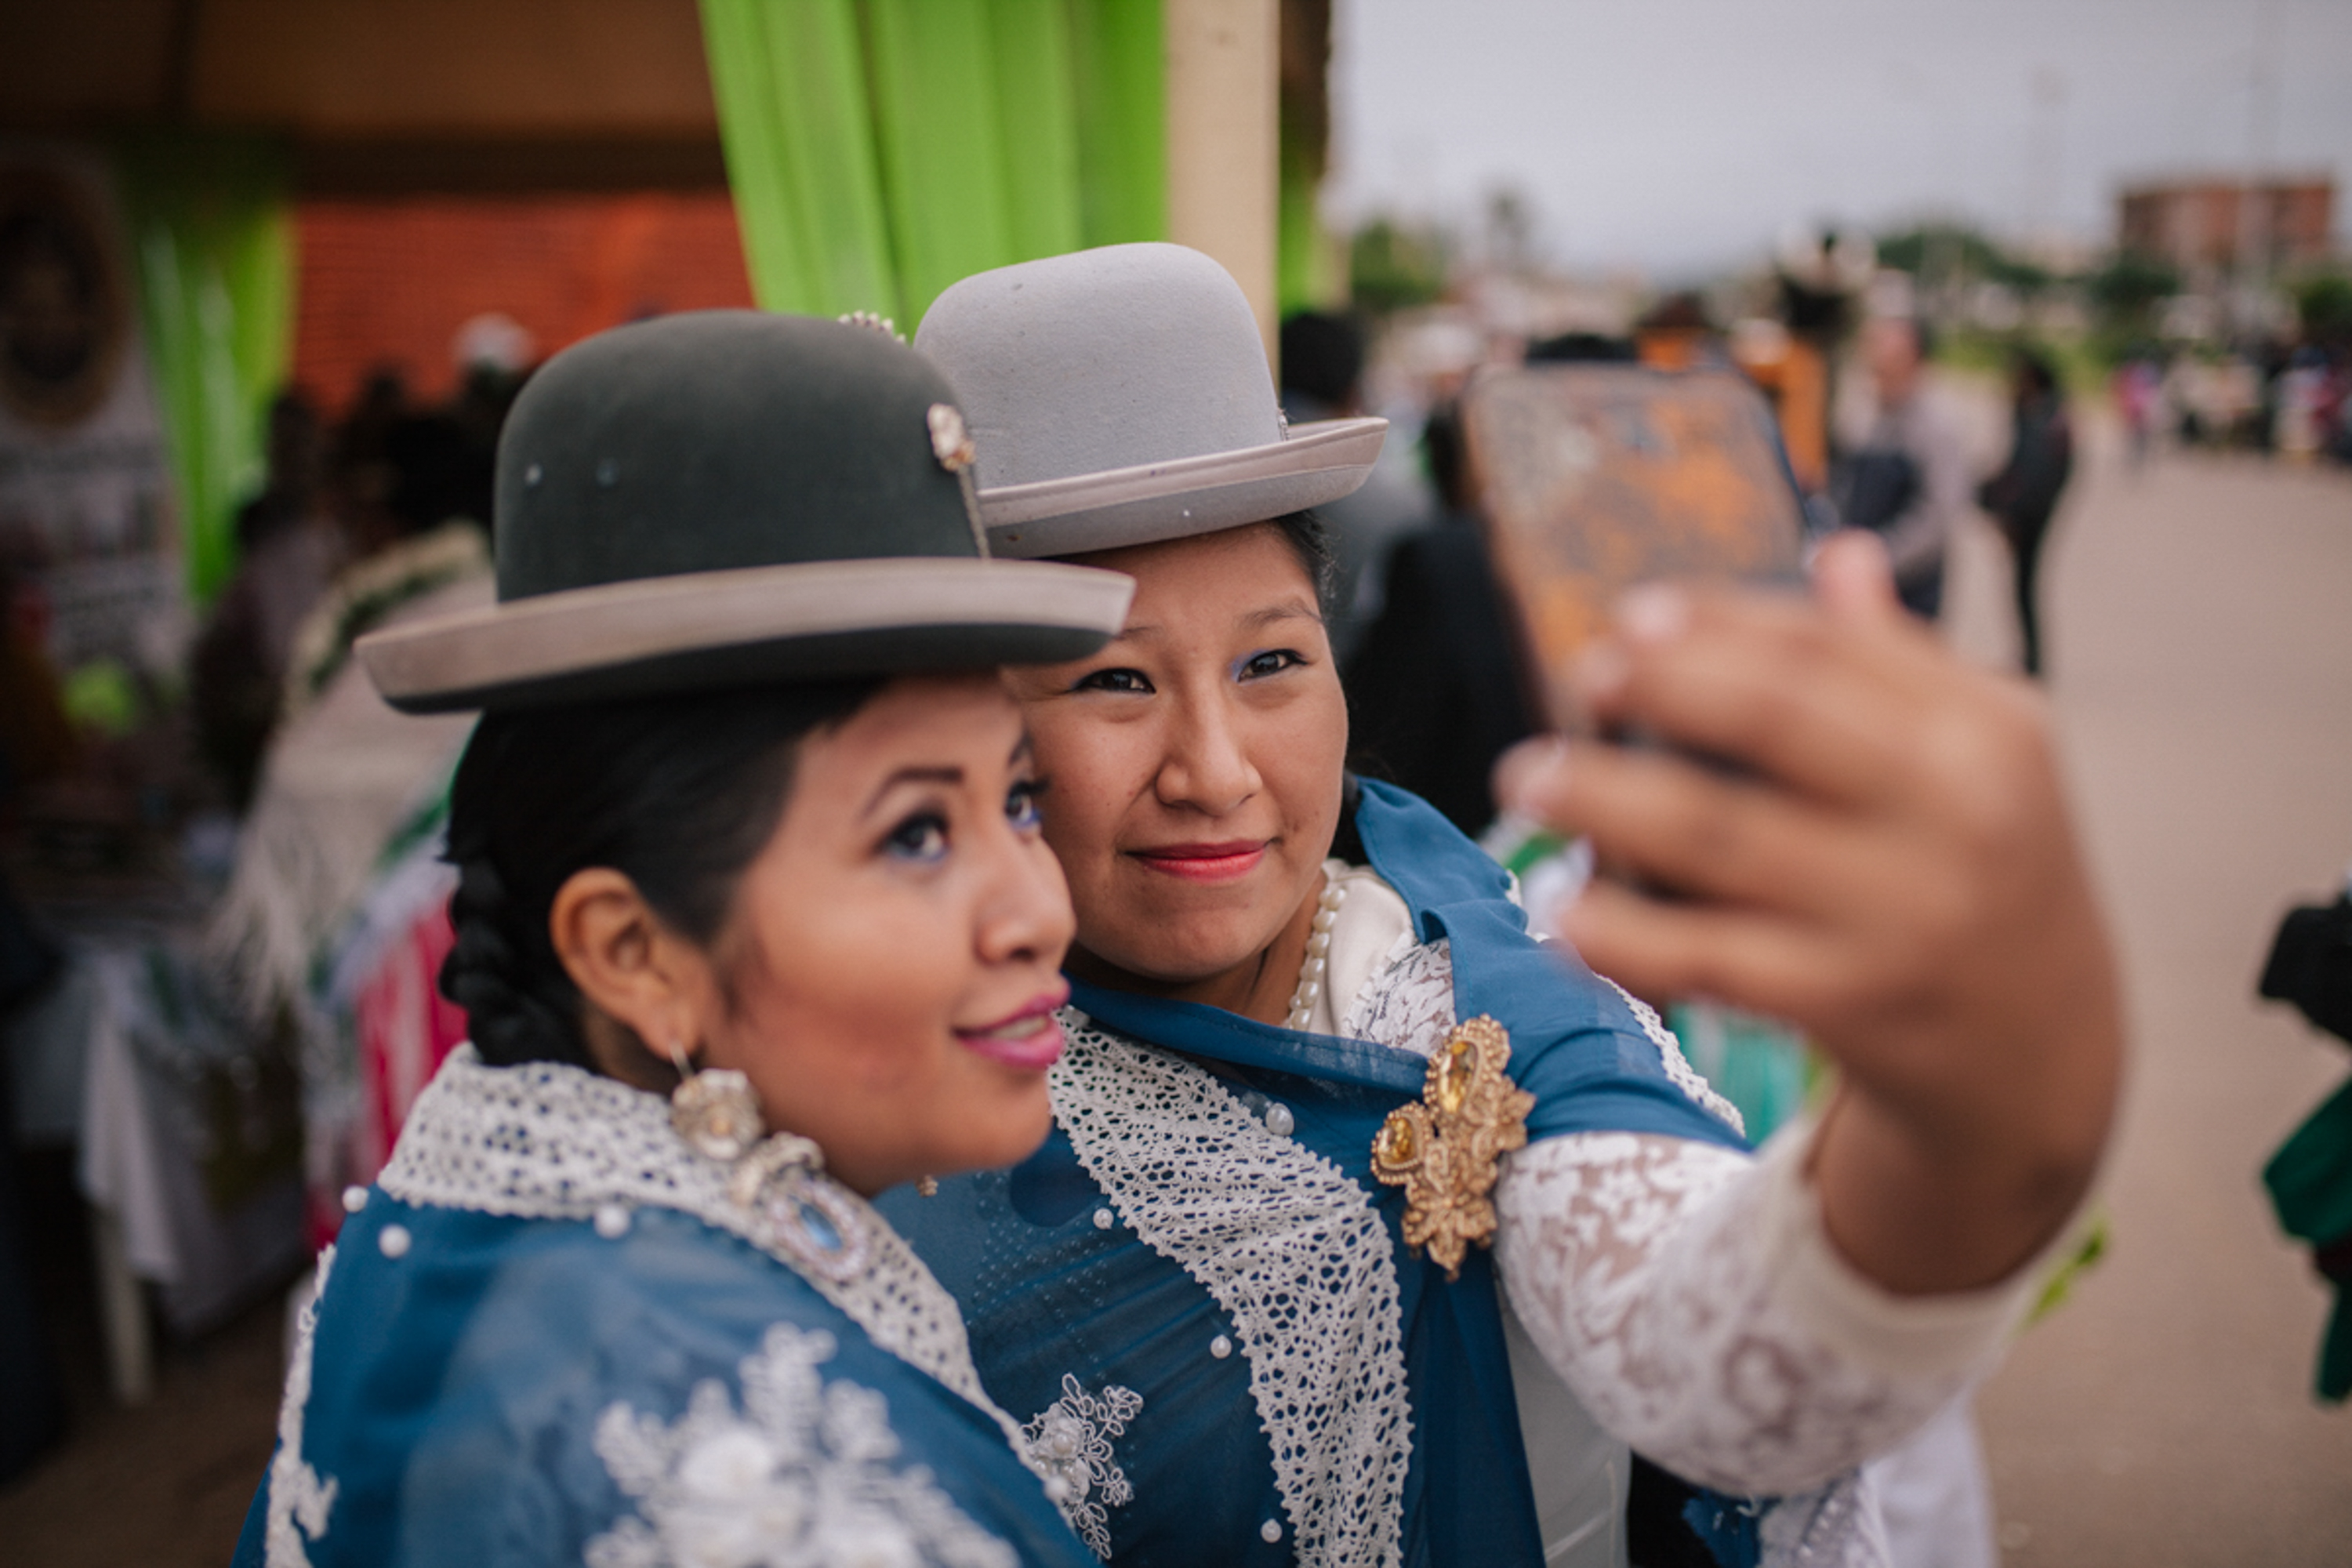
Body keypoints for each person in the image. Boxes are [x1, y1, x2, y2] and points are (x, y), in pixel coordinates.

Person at [891, 244, 2122, 1566]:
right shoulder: (856, 1036)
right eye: (1116, 683)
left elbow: (1730, 1344)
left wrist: (1995, 1118)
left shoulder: (1470, 1021)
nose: (1218, 771)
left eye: (1271, 662)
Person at [231, 310, 1138, 1567]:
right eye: (918, 834)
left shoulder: (448, 1219)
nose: (1042, 911)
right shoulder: (748, 1486)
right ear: (632, 954)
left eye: (1020, 801)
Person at [1831, 316, 1971, 621]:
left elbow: (1939, 516)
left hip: (1909, 592)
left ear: (1915, 361)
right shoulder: (1867, 416)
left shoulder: (1936, 427)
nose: (1879, 364)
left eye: (1891, 357)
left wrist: (1880, 558)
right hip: (1856, 589)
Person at [1977, 349, 2074, 677]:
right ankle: (2029, 658)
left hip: (2032, 517)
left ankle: (2032, 662)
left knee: (2024, 587)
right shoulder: (2041, 414)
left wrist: (2011, 515)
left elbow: (2033, 475)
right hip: (2032, 513)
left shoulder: (2044, 419)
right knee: (2022, 587)